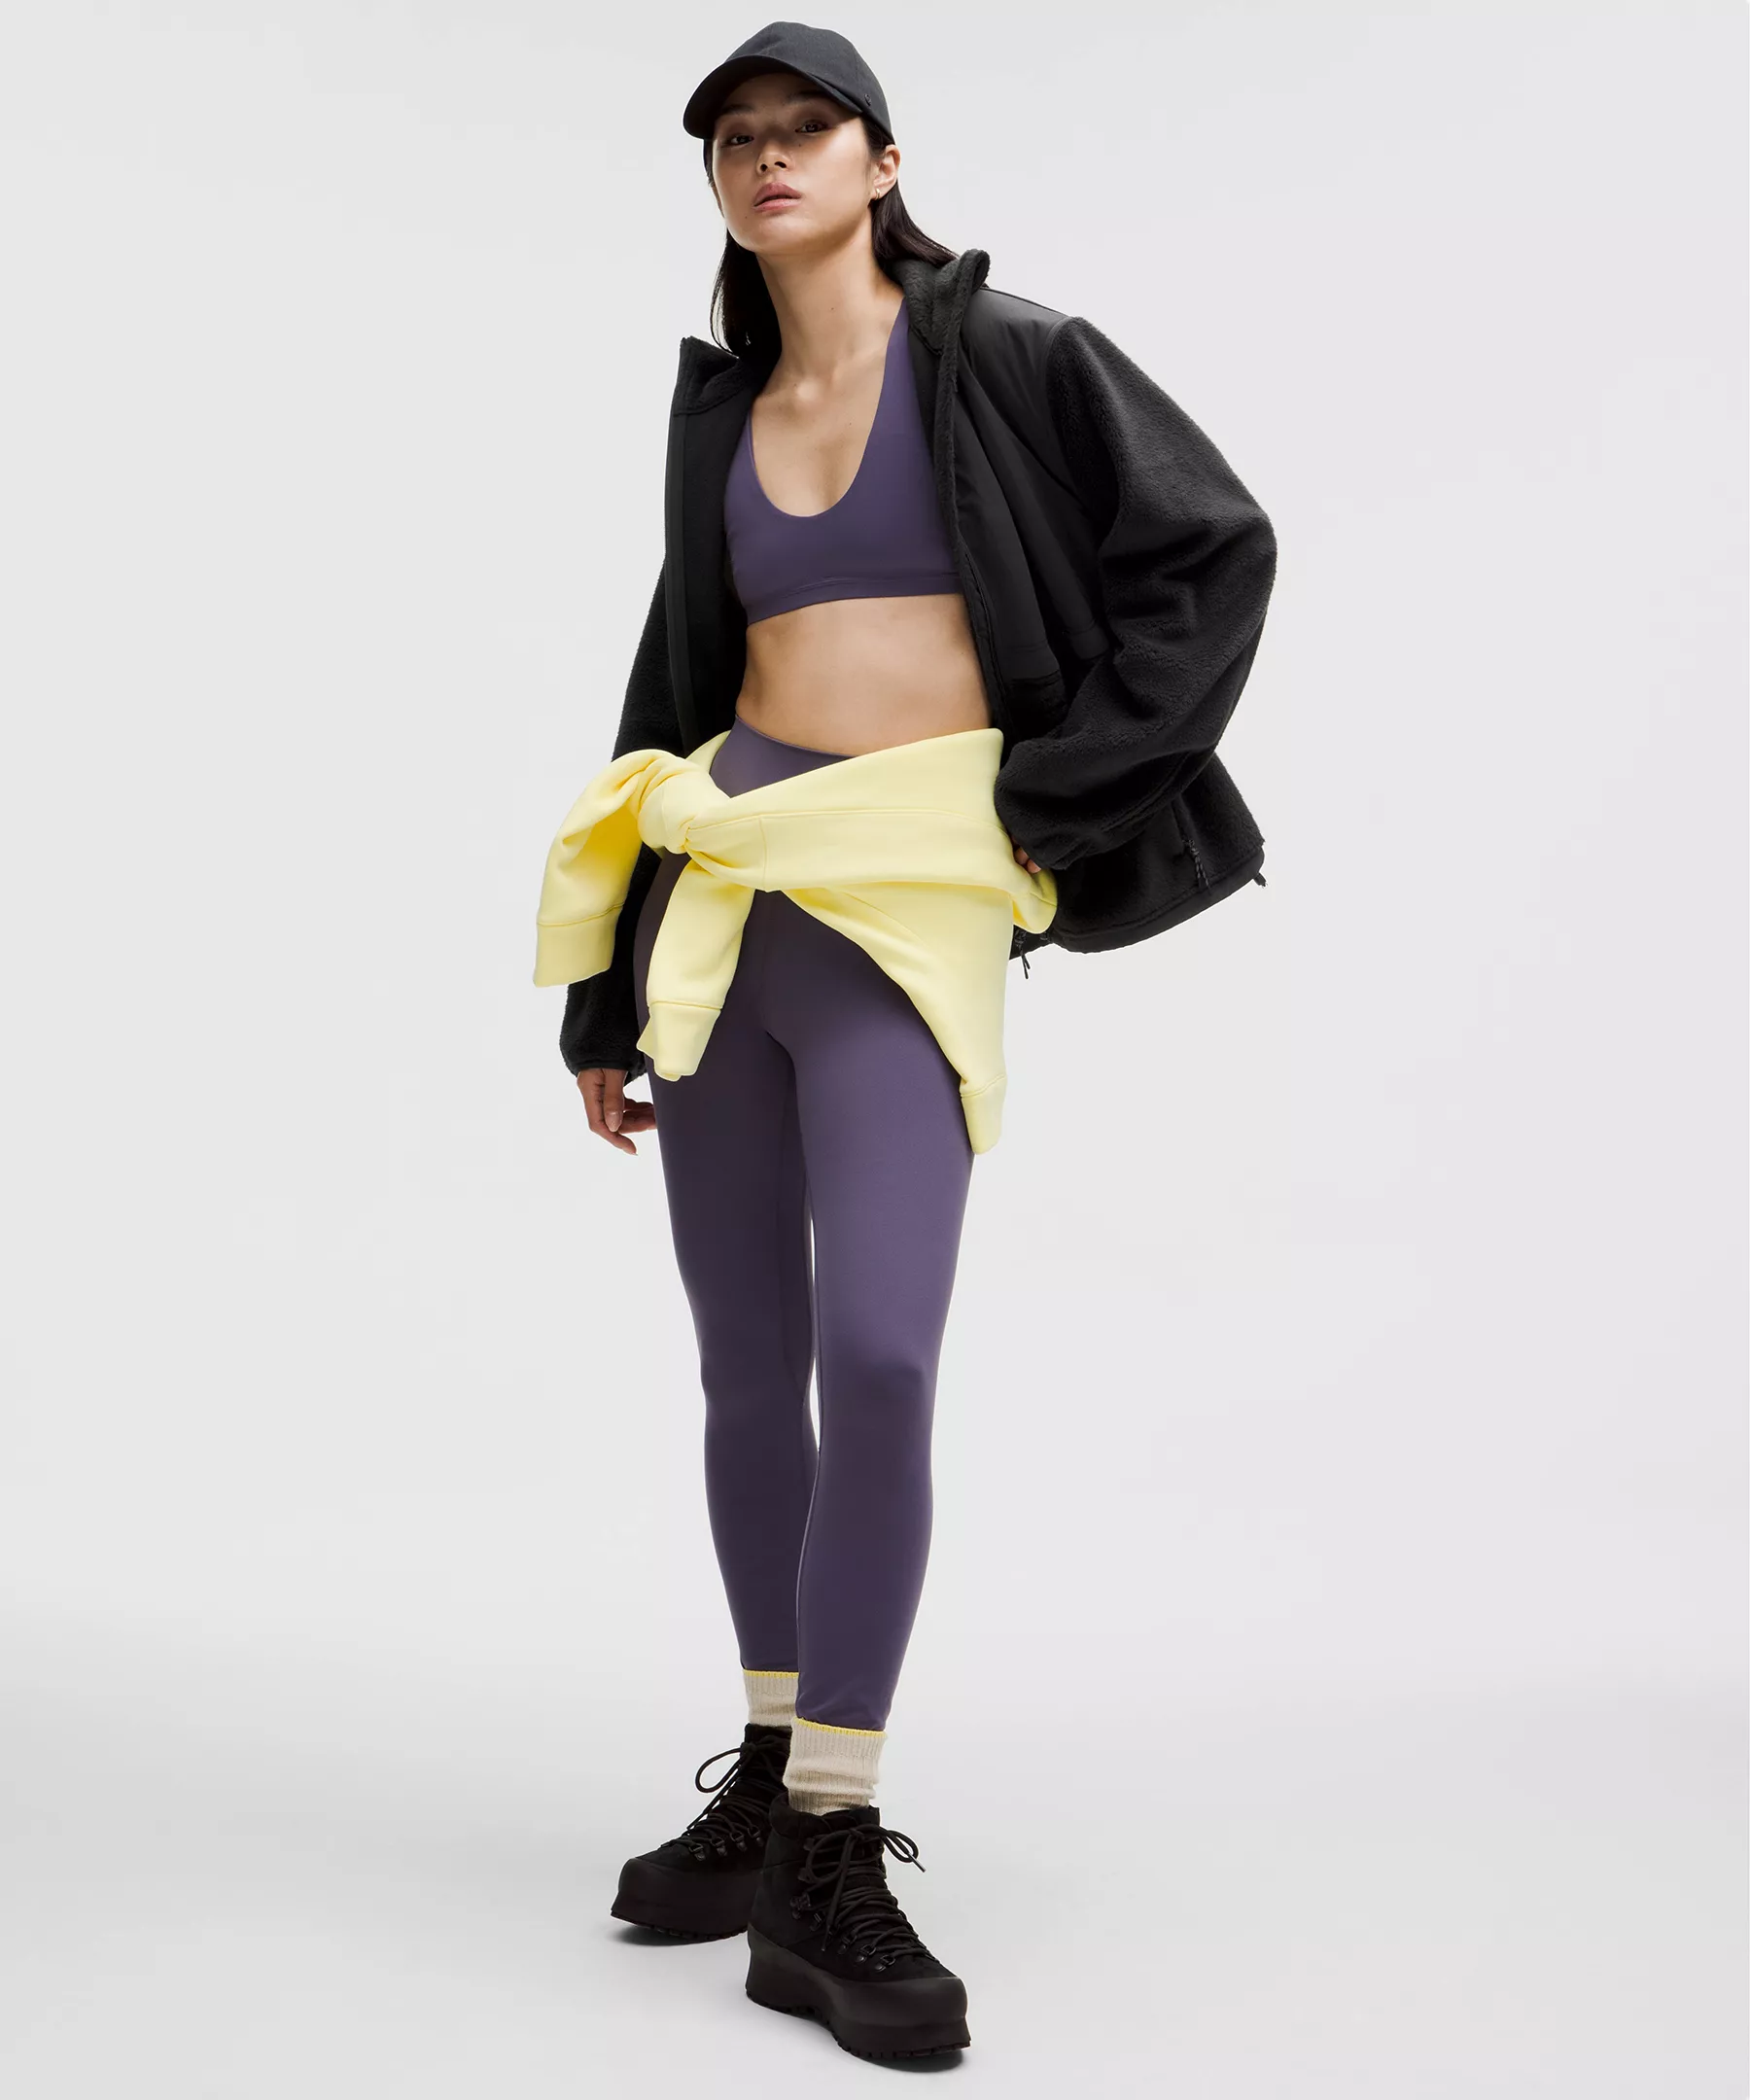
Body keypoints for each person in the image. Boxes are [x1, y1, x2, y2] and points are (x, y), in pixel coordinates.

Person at [533, 21, 1278, 2062]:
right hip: (726, 893)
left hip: (911, 902)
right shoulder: (723, 408)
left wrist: (1053, 802)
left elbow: (1213, 553)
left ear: (881, 161)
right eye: (735, 141)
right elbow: (677, 676)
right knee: (747, 1363)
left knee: (878, 1354)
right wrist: (602, 991)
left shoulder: (1014, 357)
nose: (769, 159)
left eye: (807, 130)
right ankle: (775, 1778)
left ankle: (837, 1837)